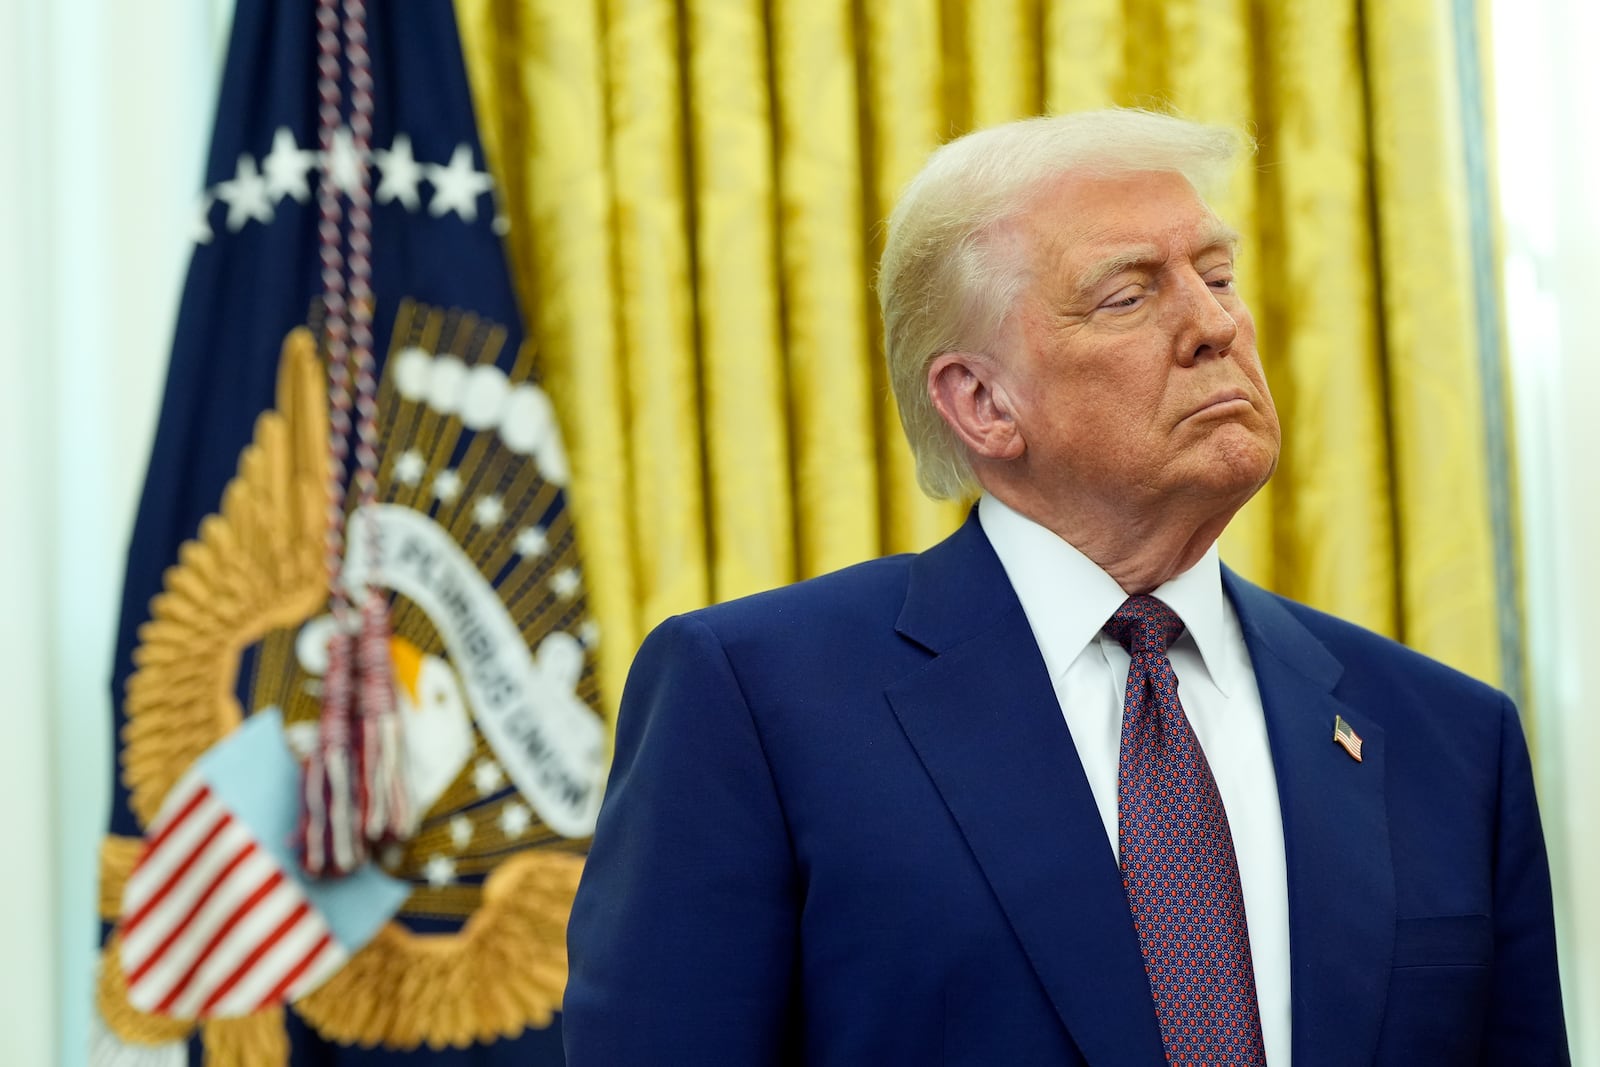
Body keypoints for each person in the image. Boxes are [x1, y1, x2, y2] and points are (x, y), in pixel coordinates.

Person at [563, 109, 1568, 1065]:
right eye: (1130, 294)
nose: (1214, 324)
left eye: (1217, 275)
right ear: (982, 400)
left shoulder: (1449, 737)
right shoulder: (755, 700)